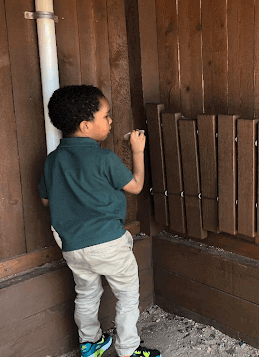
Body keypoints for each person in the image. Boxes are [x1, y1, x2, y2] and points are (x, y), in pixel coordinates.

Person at [39, 85, 161, 357]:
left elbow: (46, 201)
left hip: (72, 246)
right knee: (128, 295)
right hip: (108, 241)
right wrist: (138, 150)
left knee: (86, 294)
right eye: (106, 116)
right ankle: (128, 350)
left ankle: (90, 344)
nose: (110, 121)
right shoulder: (104, 158)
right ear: (85, 125)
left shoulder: (51, 161)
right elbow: (137, 186)